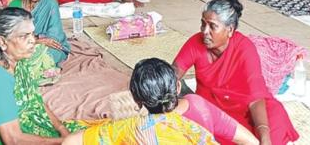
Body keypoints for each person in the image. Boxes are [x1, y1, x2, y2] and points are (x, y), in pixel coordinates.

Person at [173, 0, 299, 144]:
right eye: (203, 24)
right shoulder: (195, 42)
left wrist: (264, 136)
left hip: (247, 110)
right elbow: (174, 72)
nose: (205, 31)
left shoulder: (245, 48)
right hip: (212, 111)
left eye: (212, 26)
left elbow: (256, 97)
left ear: (230, 30)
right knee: (188, 118)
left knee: (275, 116)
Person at [0, 7, 87, 144]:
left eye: (32, 34)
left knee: (99, 135)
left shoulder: (17, 61)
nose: (32, 41)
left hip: (23, 127)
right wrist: (64, 142)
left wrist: (63, 131)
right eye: (23, 36)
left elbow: (36, 102)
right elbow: (12, 139)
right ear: (2, 42)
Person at [64, 58, 228, 145]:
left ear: (136, 98)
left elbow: (70, 142)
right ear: (177, 88)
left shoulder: (127, 129)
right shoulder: (193, 130)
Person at [8, 0, 70, 78]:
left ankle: (34, 68)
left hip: (47, 44)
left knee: (51, 53)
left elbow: (55, 33)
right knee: (10, 52)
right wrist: (35, 41)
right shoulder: (14, 5)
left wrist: (40, 42)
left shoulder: (51, 4)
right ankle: (41, 69)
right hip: (23, 45)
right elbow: (9, 33)